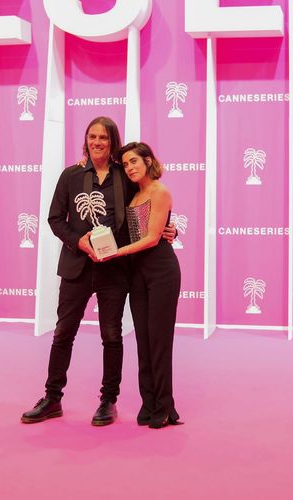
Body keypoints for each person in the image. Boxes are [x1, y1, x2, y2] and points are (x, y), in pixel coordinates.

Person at [21, 117, 176, 426]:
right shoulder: (71, 175)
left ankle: (108, 401)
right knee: (63, 333)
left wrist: (170, 230)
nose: (97, 142)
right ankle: (52, 398)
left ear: (112, 142)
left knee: (112, 335)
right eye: (92, 136)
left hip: (114, 270)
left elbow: (148, 204)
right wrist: (78, 241)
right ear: (86, 140)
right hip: (76, 266)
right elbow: (55, 219)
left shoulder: (124, 175)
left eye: (103, 137)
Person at [104, 141, 182, 429]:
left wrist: (116, 253)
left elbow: (151, 238)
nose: (129, 168)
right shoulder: (133, 195)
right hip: (137, 274)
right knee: (144, 341)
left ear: (148, 161)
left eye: (134, 161)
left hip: (161, 271)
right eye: (125, 164)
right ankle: (148, 402)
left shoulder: (160, 191)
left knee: (160, 341)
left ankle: (164, 406)